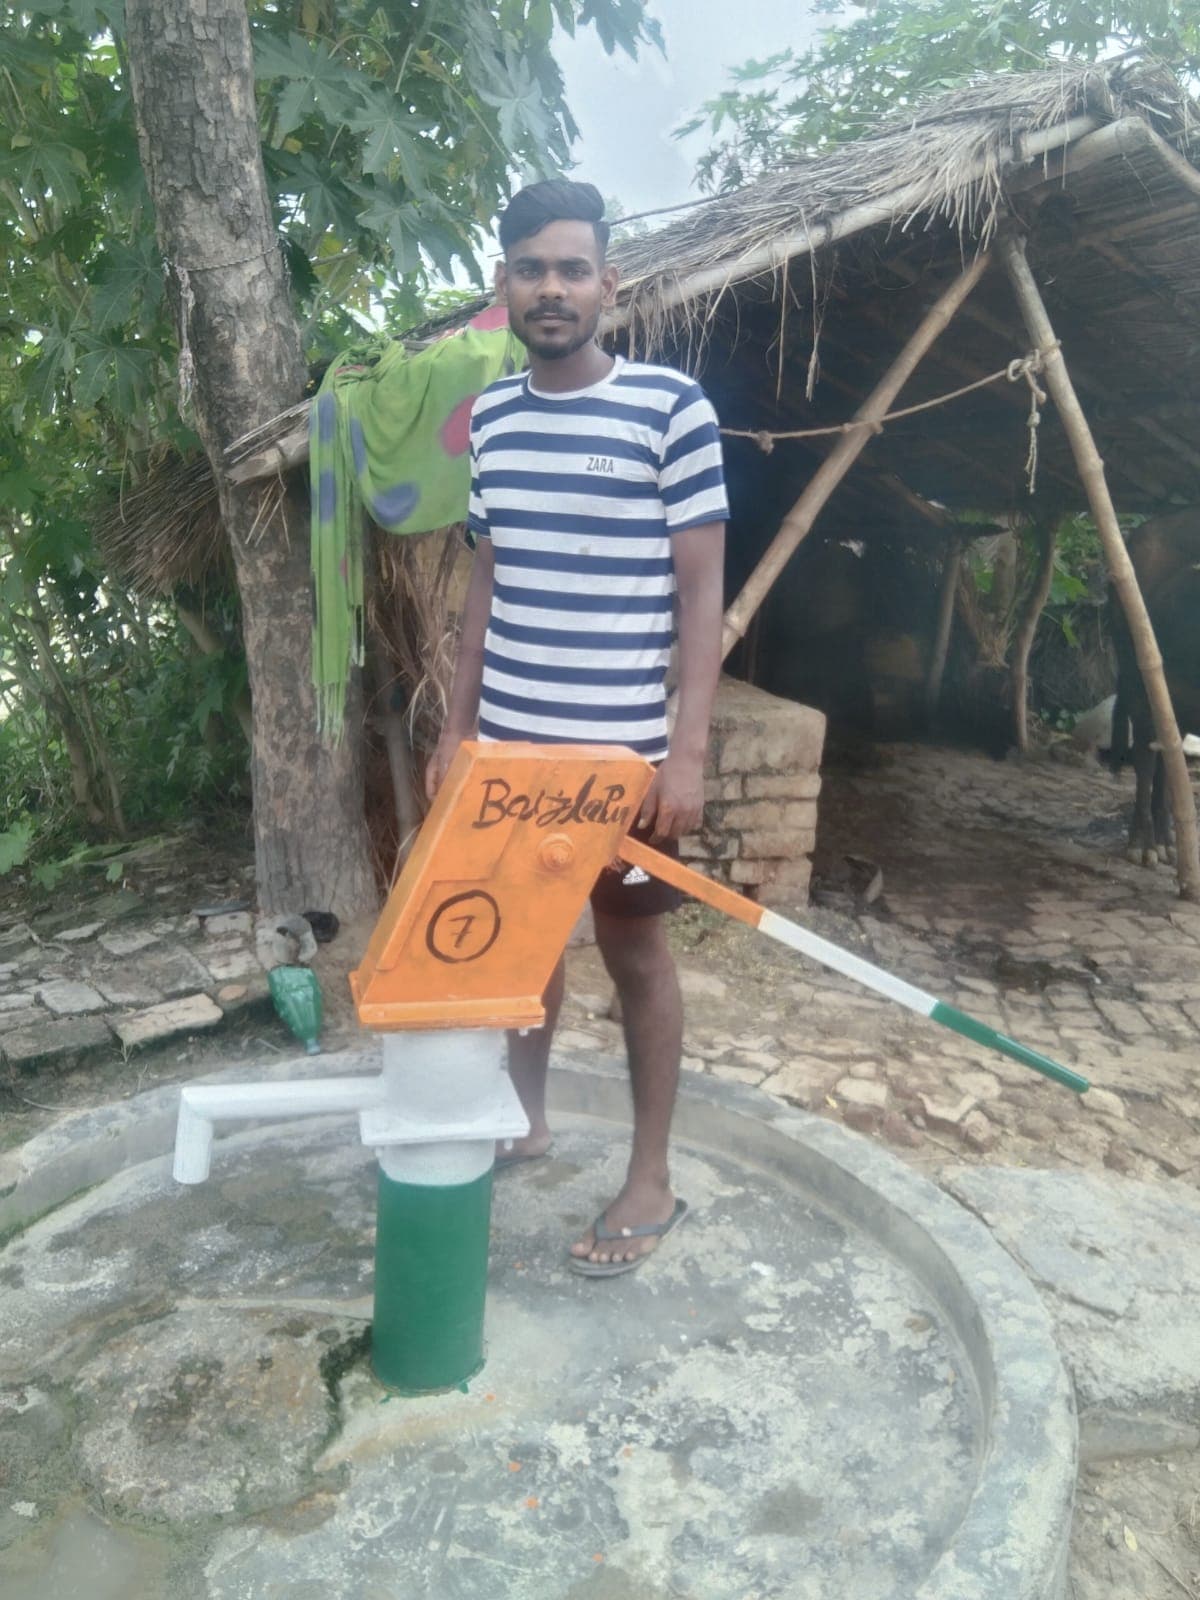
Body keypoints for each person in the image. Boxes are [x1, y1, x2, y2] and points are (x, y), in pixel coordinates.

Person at [426, 180, 728, 1277]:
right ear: (502, 285)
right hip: (510, 754)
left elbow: (702, 594)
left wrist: (683, 754)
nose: (550, 288)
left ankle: (651, 1177)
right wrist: (456, 729)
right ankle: (525, 1119)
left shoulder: (670, 409)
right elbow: (486, 586)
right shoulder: (494, 421)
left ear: (608, 282)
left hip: (622, 766)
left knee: (634, 953)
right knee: (519, 946)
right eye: (530, 269)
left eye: (571, 268)